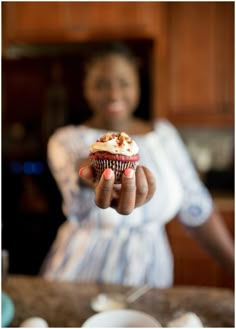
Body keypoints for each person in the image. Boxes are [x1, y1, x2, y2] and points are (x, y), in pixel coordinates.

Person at [41, 41, 234, 287]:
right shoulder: (66, 139)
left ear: (138, 85)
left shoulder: (164, 135)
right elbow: (82, 171)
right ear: (86, 88)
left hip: (150, 272)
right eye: (101, 84)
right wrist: (102, 178)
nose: (113, 94)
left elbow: (197, 207)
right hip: (80, 271)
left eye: (124, 83)